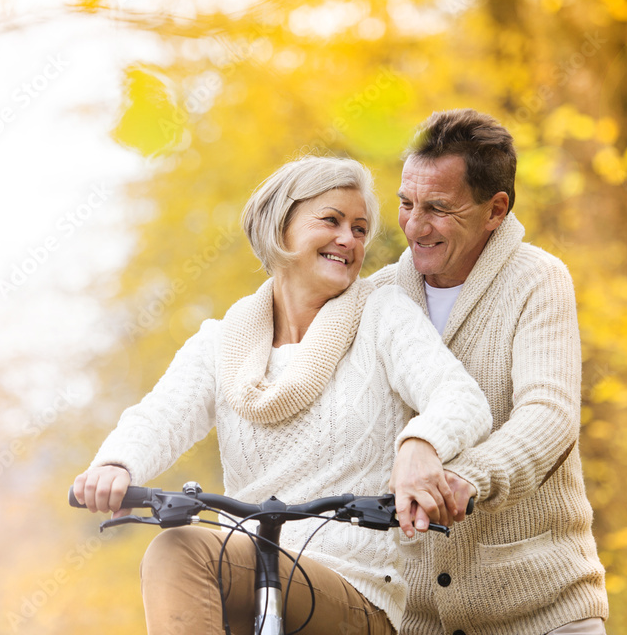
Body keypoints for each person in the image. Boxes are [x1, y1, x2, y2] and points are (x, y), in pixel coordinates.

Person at [72, 155, 492, 635]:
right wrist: (116, 465)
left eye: (359, 229)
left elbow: (460, 398)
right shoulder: (222, 342)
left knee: (180, 549)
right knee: (181, 557)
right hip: (251, 576)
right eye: (331, 221)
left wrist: (420, 446)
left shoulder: (381, 316)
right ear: (279, 228)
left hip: (353, 592)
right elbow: (160, 417)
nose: (348, 240)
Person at [371, 109, 609, 635]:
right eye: (406, 204)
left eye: (438, 208)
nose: (414, 225)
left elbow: (549, 416)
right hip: (414, 620)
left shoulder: (538, 280)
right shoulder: (379, 294)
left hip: (543, 613)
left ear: (495, 209)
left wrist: (464, 479)